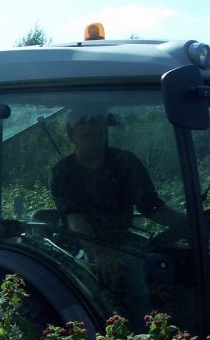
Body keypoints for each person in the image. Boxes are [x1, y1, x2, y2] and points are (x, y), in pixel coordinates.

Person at [49, 107, 187, 324]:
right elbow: (74, 218)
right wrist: (100, 253)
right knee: (108, 279)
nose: (94, 141)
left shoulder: (125, 163)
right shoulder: (63, 172)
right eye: (87, 136)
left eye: (99, 134)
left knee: (165, 265)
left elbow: (151, 207)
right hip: (83, 244)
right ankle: (126, 334)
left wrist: (189, 224)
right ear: (71, 135)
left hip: (123, 240)